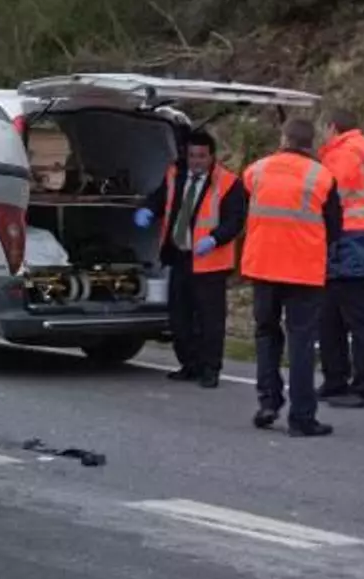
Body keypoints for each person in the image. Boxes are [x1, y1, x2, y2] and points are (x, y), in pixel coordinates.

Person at [240, 118, 341, 437]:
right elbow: (335, 227)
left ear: (283, 139)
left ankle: (268, 402)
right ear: (311, 143)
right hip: (303, 270)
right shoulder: (322, 176)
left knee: (266, 335)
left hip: (263, 265)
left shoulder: (256, 170)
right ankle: (301, 417)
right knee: (301, 342)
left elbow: (245, 209)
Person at [136, 122, 246, 388]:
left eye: (202, 157)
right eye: (192, 156)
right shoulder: (176, 174)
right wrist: (148, 209)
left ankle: (210, 369)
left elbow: (235, 220)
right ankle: (189, 364)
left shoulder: (228, 183)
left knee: (210, 320)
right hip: (180, 256)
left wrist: (215, 238)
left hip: (210, 261)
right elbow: (160, 198)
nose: (196, 162)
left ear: (212, 156)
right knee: (179, 317)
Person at [317, 108, 364, 409]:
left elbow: (326, 194)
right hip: (361, 238)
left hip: (346, 239)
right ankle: (338, 381)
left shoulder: (342, 154)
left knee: (352, 319)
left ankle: (359, 387)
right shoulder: (363, 151)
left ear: (332, 127)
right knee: (334, 315)